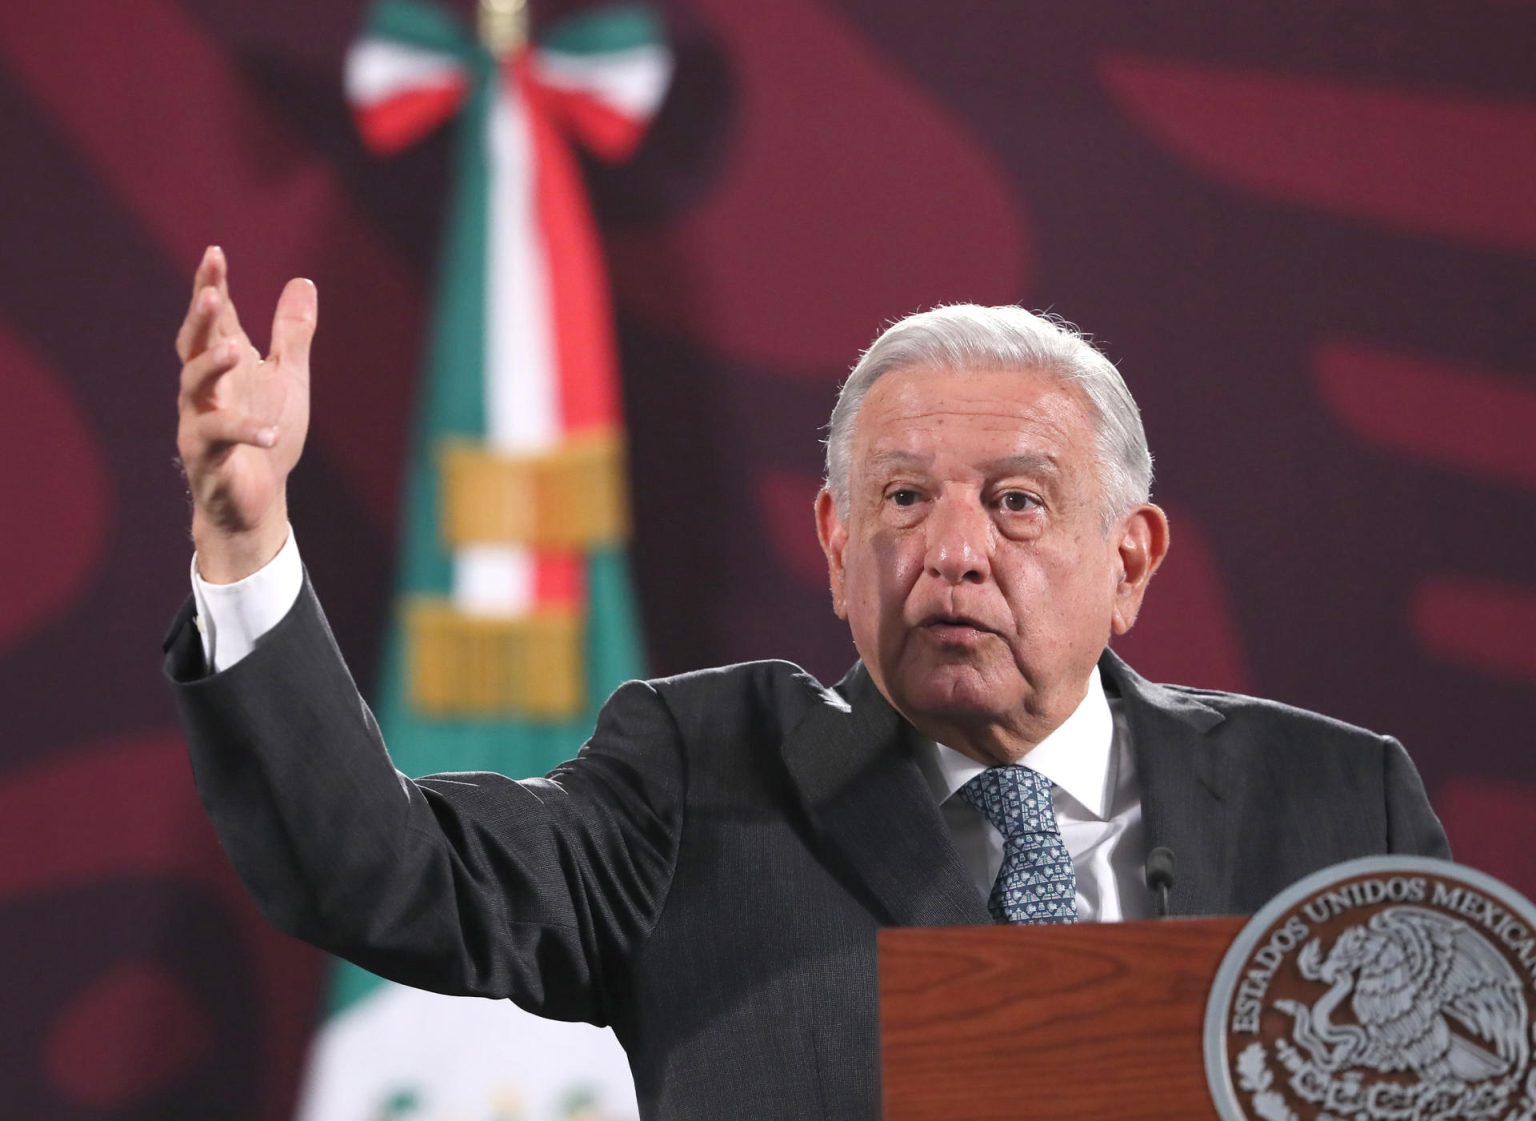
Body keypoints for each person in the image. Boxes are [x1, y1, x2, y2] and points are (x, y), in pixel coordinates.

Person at [165, 246, 1449, 1120]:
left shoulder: (1339, 803)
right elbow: (385, 871)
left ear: (1131, 557)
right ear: (839, 551)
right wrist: (244, 540)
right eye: (903, 500)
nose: (952, 549)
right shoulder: (697, 776)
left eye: (1015, 501)